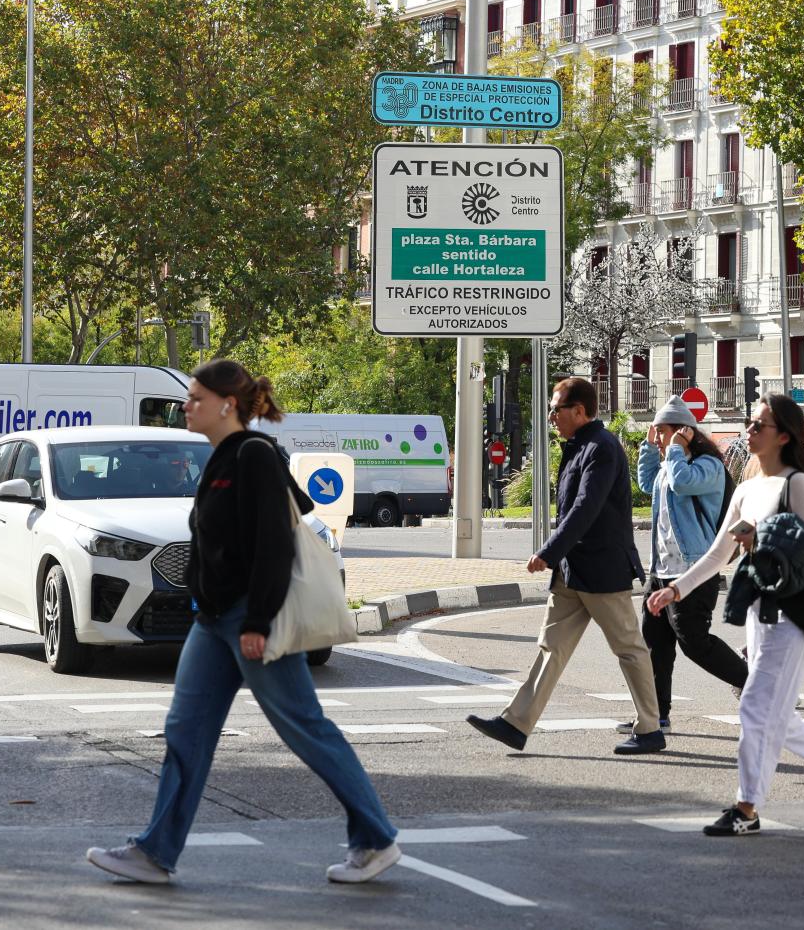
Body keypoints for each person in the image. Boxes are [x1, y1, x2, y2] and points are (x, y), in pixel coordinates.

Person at [86, 360, 400, 883]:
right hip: (211, 623)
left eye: (195, 399)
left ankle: (375, 839)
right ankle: (154, 853)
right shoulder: (222, 456)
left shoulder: (252, 455)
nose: (185, 406)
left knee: (304, 728)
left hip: (247, 618)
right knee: (185, 731)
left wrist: (258, 620)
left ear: (227, 404)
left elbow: (275, 543)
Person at [646, 393, 804, 836]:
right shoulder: (747, 487)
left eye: (758, 426)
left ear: (783, 436)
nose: (748, 431)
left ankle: (746, 808)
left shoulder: (795, 484)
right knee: (775, 713)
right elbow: (717, 554)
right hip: (759, 608)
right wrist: (675, 589)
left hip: (794, 616)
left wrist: (763, 538)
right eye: (749, 424)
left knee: (753, 704)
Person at [467, 377, 665, 756]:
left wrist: (549, 551)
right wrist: (559, 557)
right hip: (574, 573)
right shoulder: (578, 447)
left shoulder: (601, 448)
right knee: (550, 648)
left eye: (556, 408)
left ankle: (651, 728)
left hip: (604, 570)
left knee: (629, 649)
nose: (552, 416)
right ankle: (516, 724)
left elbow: (584, 508)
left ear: (579, 410)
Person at [620, 396, 748, 733]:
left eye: (663, 432)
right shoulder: (669, 464)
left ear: (683, 433)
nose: (659, 438)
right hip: (661, 571)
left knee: (694, 642)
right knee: (655, 646)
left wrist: (675, 447)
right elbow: (649, 483)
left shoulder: (708, 468)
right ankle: (654, 716)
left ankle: (754, 684)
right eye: (657, 433)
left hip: (694, 571)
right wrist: (650, 448)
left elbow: (682, 482)